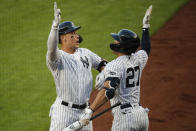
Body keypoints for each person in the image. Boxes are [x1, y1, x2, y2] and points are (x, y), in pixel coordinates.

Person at [80, 5, 152, 131]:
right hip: (141, 116)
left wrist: (90, 110)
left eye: (117, 40)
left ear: (122, 46)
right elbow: (146, 48)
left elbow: (109, 88)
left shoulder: (115, 65)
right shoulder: (138, 59)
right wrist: (145, 27)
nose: (114, 42)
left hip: (126, 120)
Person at [46, 2, 107, 131]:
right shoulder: (57, 58)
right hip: (64, 112)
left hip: (85, 111)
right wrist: (54, 27)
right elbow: (51, 49)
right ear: (63, 38)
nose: (77, 36)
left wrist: (105, 73)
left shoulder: (86, 53)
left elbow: (103, 64)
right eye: (72, 33)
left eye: (77, 32)